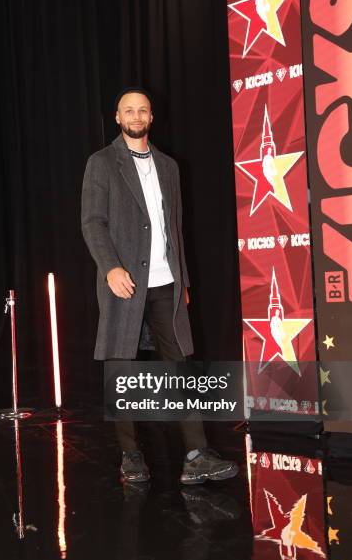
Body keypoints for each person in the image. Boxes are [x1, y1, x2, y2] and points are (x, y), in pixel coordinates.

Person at [81, 86, 238, 485]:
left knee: (180, 366)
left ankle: (195, 454)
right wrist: (111, 268)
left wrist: (182, 278)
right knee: (123, 368)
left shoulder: (168, 165)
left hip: (166, 282)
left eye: (142, 110)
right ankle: (130, 454)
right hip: (125, 282)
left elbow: (175, 228)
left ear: (151, 117)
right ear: (117, 117)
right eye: (128, 110)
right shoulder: (101, 163)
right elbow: (93, 223)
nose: (136, 116)